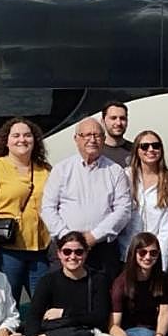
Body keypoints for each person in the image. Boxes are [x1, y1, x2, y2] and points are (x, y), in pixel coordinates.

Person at [24, 230, 120, 336]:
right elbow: (34, 315)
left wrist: (65, 313)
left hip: (90, 333)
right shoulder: (49, 281)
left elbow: (100, 316)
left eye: (78, 252)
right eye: (67, 252)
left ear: (86, 253)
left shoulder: (98, 279)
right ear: (59, 254)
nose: (73, 257)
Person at [0, 117, 52, 303]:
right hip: (7, 251)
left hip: (40, 250)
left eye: (27, 135)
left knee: (42, 305)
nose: (22, 140)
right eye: (15, 135)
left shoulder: (46, 170)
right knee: (7, 303)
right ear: (6, 141)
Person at [40, 118, 132, 277]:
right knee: (63, 298)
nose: (92, 139)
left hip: (102, 251)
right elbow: (48, 208)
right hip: (65, 249)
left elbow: (123, 210)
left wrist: (94, 236)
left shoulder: (115, 171)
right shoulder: (62, 169)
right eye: (87, 135)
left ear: (104, 139)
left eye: (97, 135)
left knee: (100, 298)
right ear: (76, 139)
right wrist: (67, 237)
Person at [120, 130, 168, 271]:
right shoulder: (125, 176)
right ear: (137, 150)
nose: (151, 150)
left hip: (154, 257)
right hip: (125, 254)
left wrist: (161, 260)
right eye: (145, 146)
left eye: (155, 145)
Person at [100, 101, 132, 167]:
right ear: (103, 122)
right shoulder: (96, 152)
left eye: (122, 118)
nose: (118, 123)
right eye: (113, 118)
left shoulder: (136, 151)